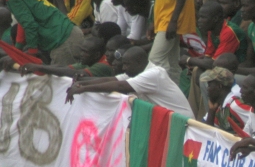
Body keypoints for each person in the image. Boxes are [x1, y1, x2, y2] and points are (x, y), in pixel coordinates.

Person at [66, 46, 194, 117]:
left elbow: (120, 85)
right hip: (170, 120)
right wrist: (82, 81)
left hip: (183, 122)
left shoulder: (153, 74)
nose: (123, 68)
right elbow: (112, 79)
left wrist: (82, 89)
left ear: (139, 63)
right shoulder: (137, 72)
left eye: (127, 64)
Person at [0, 0, 82, 65]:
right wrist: (17, 52)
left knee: (63, 79)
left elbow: (30, 25)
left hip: (63, 41)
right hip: (71, 32)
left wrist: (31, 55)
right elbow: (24, 22)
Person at [148, 0, 196, 83]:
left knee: (155, 60)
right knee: (172, 64)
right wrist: (155, 21)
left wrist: (174, 20)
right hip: (163, 17)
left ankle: (162, 95)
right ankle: (174, 99)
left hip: (171, 18)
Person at [20, 37, 112, 78]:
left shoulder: (103, 65)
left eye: (85, 52)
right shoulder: (89, 60)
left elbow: (74, 73)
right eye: (81, 50)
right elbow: (64, 68)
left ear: (96, 55)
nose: (81, 54)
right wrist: (38, 64)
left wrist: (40, 67)